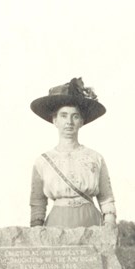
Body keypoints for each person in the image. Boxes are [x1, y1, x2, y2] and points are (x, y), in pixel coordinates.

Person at [29, 78, 116, 228]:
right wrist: (37, 230)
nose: (69, 122)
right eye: (63, 116)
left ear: (82, 121)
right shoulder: (43, 161)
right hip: (57, 224)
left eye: (75, 116)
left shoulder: (95, 157)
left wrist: (109, 225)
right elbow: (38, 202)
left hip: (91, 223)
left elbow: (106, 198)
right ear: (55, 120)